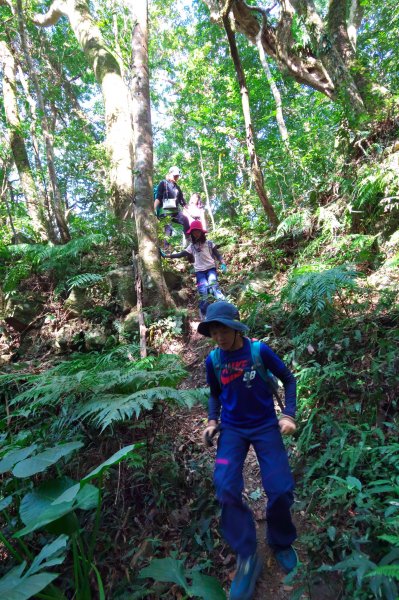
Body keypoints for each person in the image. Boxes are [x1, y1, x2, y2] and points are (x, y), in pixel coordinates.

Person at [198, 301, 298, 600]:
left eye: (224, 330)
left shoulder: (259, 352)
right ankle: (247, 554)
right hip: (232, 431)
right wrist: (212, 421)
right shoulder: (213, 360)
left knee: (279, 488)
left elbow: (289, 380)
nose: (219, 337)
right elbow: (215, 394)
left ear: (236, 328)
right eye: (214, 332)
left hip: (266, 426)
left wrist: (289, 414)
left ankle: (280, 540)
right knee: (225, 486)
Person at [161, 221, 227, 318]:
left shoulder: (209, 243)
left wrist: (223, 263)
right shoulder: (191, 247)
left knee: (214, 287)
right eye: (194, 232)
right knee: (203, 290)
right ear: (191, 233)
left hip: (211, 269)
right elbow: (180, 254)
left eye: (198, 231)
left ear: (202, 232)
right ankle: (205, 314)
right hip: (200, 272)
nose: (196, 233)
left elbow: (217, 254)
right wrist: (166, 256)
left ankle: (226, 308)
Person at [154, 166, 186, 246]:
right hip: (165, 211)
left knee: (186, 221)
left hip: (175, 211)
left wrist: (191, 214)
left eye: (177, 176)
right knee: (168, 229)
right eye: (174, 175)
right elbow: (158, 197)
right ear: (170, 174)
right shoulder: (163, 183)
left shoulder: (177, 187)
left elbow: (182, 202)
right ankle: (166, 249)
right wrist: (153, 209)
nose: (176, 177)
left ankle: (190, 244)